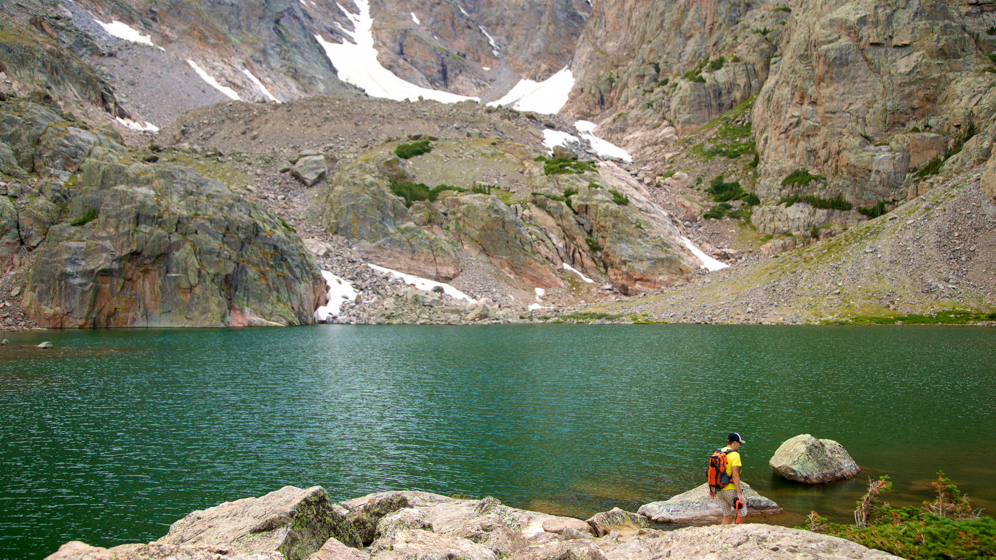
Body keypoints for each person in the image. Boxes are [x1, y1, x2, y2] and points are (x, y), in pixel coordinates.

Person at [710, 432, 745, 525]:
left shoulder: (718, 452)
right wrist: (738, 494)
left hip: (719, 490)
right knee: (742, 513)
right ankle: (733, 533)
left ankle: (722, 535)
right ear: (734, 443)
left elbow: (712, 471)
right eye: (739, 443)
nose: (740, 445)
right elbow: (735, 475)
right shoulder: (735, 455)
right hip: (729, 490)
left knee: (727, 515)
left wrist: (711, 488)